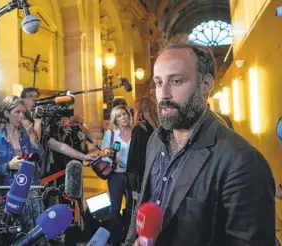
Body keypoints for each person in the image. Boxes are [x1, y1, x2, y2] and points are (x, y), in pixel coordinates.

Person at [125, 35, 275, 245]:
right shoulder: (155, 141)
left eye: (176, 81)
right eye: (159, 83)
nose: (163, 94)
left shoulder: (242, 162)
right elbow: (143, 204)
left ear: (206, 83)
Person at [0, 96, 47, 245]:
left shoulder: (26, 136)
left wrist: (32, 134)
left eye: (23, 112)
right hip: (8, 196)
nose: (21, 116)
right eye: (17, 112)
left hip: (31, 195)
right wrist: (8, 166)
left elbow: (41, 156)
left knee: (34, 236)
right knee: (12, 237)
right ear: (6, 114)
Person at [124, 97, 159, 227]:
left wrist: (132, 184)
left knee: (139, 212)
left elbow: (134, 157)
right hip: (156, 175)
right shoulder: (158, 129)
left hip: (141, 178)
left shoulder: (139, 129)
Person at [101, 105, 133, 245]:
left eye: (124, 114)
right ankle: (116, 237)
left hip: (133, 175)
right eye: (119, 116)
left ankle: (129, 236)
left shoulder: (136, 131)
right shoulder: (111, 134)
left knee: (132, 206)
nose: (123, 117)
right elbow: (103, 155)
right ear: (115, 119)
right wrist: (113, 157)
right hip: (116, 175)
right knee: (115, 208)